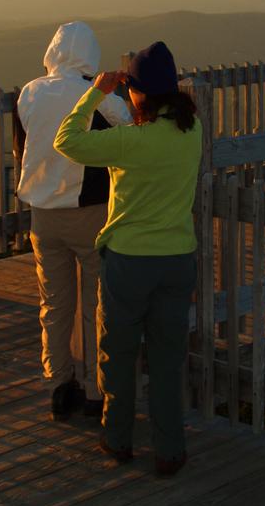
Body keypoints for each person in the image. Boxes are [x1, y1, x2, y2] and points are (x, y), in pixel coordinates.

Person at [53, 41, 202, 476]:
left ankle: (117, 440)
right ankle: (170, 450)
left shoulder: (128, 142)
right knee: (167, 361)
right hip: (177, 260)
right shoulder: (192, 130)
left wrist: (97, 93)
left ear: (138, 93)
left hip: (128, 263)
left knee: (117, 356)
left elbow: (68, 140)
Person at [13, 21, 131, 421]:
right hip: (90, 211)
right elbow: (129, 130)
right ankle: (99, 390)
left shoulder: (29, 93)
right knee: (98, 303)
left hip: (42, 215)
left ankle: (60, 382)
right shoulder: (93, 95)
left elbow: (22, 146)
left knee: (55, 302)